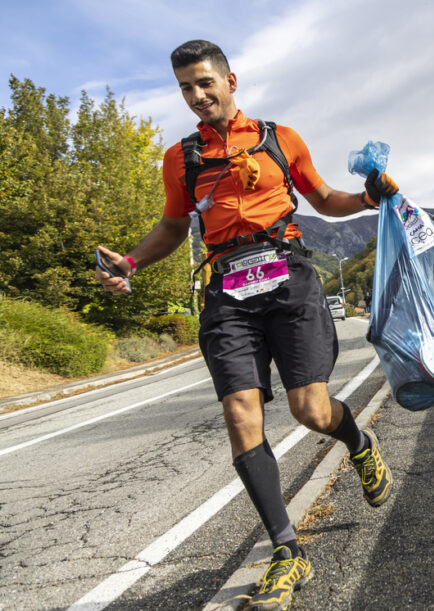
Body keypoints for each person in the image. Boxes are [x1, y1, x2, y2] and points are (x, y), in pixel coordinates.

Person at [95, 40, 397, 611]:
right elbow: (172, 227)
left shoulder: (280, 139)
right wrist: (131, 262)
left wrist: (367, 197)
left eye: (205, 82)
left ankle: (358, 442)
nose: (197, 95)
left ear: (231, 80)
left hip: (289, 279)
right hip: (227, 291)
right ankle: (287, 552)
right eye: (185, 87)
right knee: (240, 413)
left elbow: (324, 198)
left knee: (310, 409)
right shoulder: (181, 159)